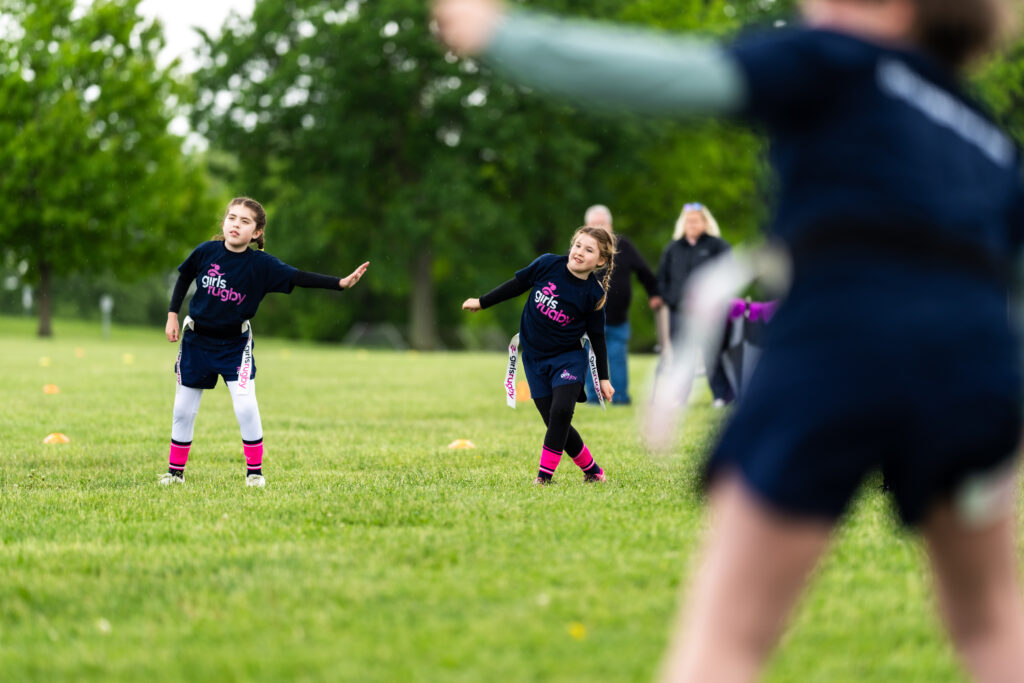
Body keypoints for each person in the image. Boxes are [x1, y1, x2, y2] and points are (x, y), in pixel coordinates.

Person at [433, 1, 1024, 681]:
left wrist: (499, 34)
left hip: (843, 347)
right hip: (976, 373)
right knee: (991, 621)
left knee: (727, 641)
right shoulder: (986, 131)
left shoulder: (833, 58)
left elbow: (669, 75)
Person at [162, 197, 369, 488]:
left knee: (245, 407)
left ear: (257, 232)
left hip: (235, 346)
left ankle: (255, 474)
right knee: (183, 410)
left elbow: (298, 277)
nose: (236, 224)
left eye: (245, 221)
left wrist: (339, 283)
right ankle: (174, 474)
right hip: (196, 341)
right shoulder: (206, 252)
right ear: (224, 222)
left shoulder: (261, 265)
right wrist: (173, 315)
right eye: (232, 218)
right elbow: (184, 277)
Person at [463, 226, 616, 484]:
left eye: (589, 250)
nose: (579, 252)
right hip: (534, 360)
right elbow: (515, 286)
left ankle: (544, 478)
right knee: (555, 422)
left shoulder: (594, 294)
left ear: (600, 260)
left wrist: (603, 378)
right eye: (577, 245)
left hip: (568, 358)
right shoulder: (547, 264)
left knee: (561, 412)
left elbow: (598, 338)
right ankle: (593, 472)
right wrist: (482, 301)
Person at [582, 204, 662, 406]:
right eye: (595, 224)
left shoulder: (623, 245)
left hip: (618, 317)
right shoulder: (580, 247)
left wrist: (654, 293)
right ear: (586, 226)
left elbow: (644, 270)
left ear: (610, 225)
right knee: (591, 358)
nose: (599, 228)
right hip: (588, 316)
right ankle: (594, 398)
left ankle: (619, 397)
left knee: (617, 357)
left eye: (603, 223)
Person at [658, 203, 733, 406]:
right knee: (682, 356)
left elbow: (729, 273)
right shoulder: (673, 248)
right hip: (679, 312)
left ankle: (721, 396)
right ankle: (679, 398)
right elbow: (662, 277)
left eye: (696, 220)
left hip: (710, 312)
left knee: (713, 353)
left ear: (705, 222)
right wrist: (668, 298)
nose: (691, 224)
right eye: (688, 220)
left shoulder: (717, 246)